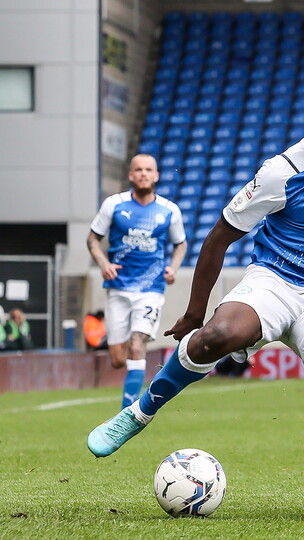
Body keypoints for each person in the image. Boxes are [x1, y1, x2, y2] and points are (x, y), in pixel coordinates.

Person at [86, 75, 304, 523]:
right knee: (217, 335)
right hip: (274, 278)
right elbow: (218, 238)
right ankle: (138, 414)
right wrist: (196, 312)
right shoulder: (282, 172)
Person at [87, 154, 187, 410]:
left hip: (150, 289)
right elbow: (92, 239)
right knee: (118, 359)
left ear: (156, 176)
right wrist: (104, 264)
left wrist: (173, 269)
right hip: (118, 288)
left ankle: (127, 413)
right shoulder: (114, 205)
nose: (143, 173)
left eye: (148, 170)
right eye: (138, 170)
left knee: (137, 343)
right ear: (131, 175)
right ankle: (129, 391)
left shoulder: (169, 210)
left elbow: (180, 244)